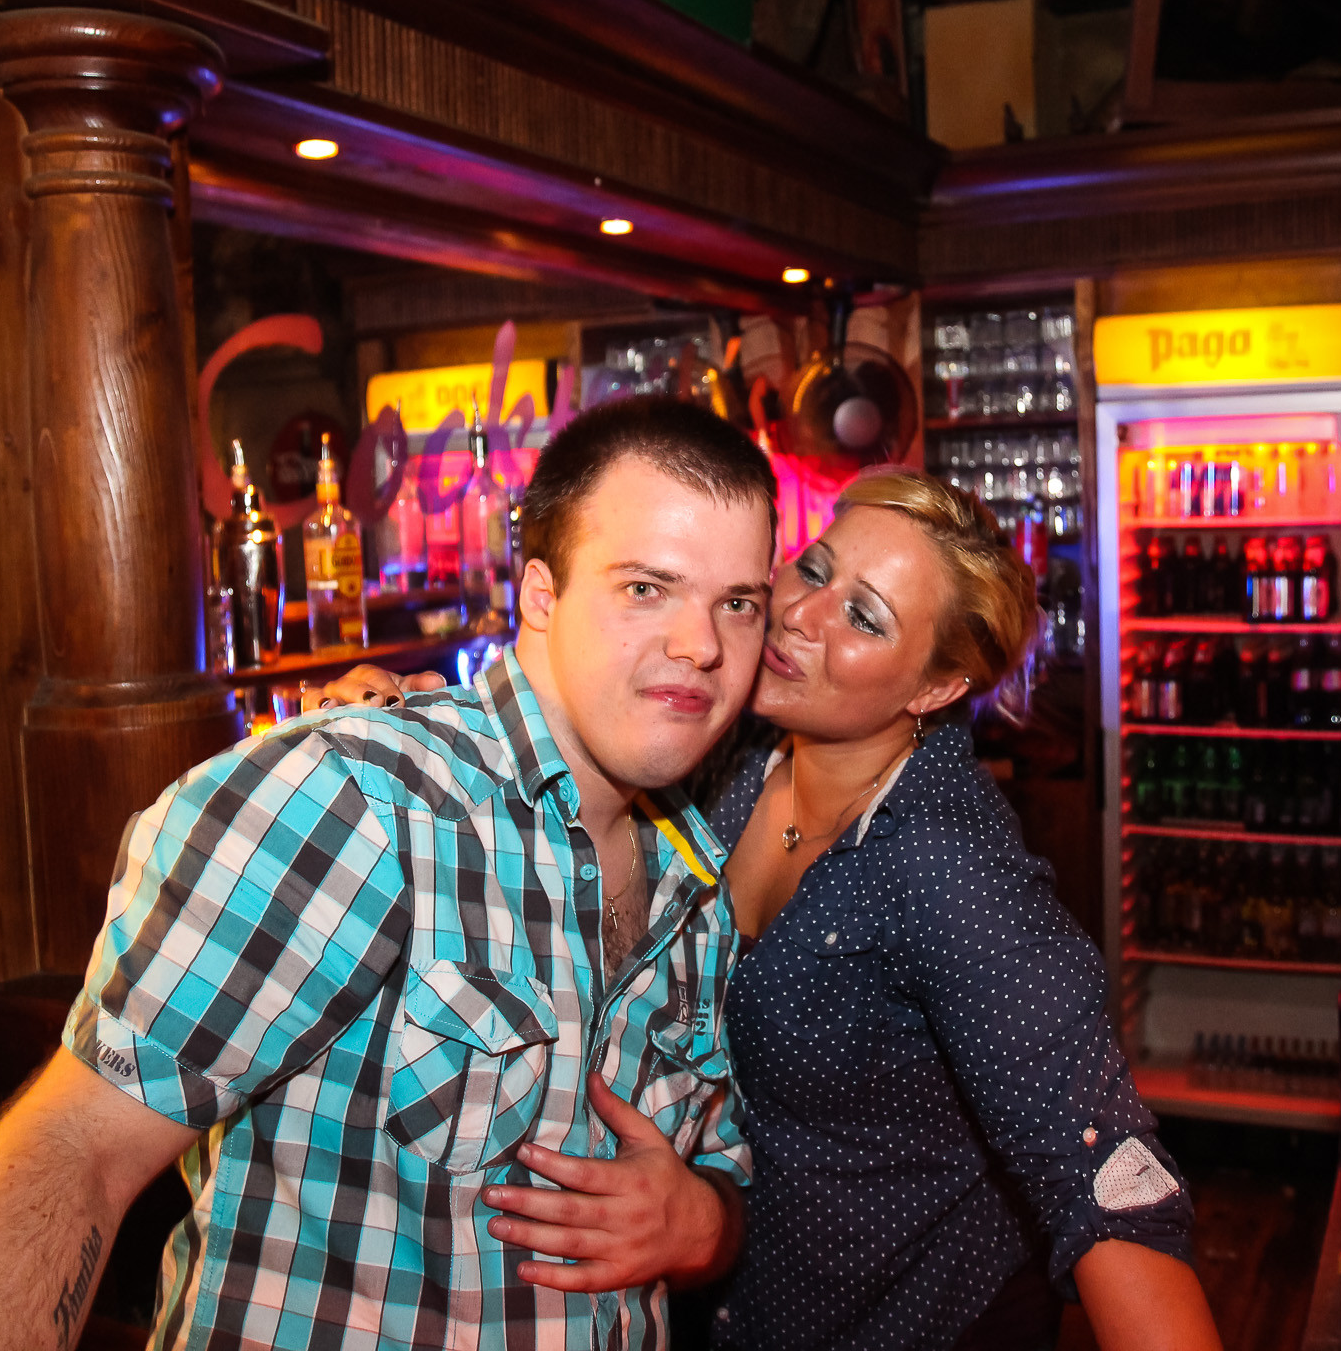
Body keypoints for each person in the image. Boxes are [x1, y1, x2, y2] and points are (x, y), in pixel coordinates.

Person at [0, 397, 781, 1351]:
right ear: (539, 595)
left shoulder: (696, 877)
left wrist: (703, 1224)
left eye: (738, 603)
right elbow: (74, 1156)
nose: (702, 644)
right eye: (646, 587)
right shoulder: (357, 798)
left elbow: (722, 1173)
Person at [317, 471, 1220, 1351]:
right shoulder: (731, 753)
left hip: (907, 1318)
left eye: (864, 617)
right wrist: (424, 716)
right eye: (814, 571)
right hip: (718, 1295)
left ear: (935, 689)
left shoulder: (944, 860)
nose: (802, 615)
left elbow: (1100, 1170)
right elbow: (566, 728)